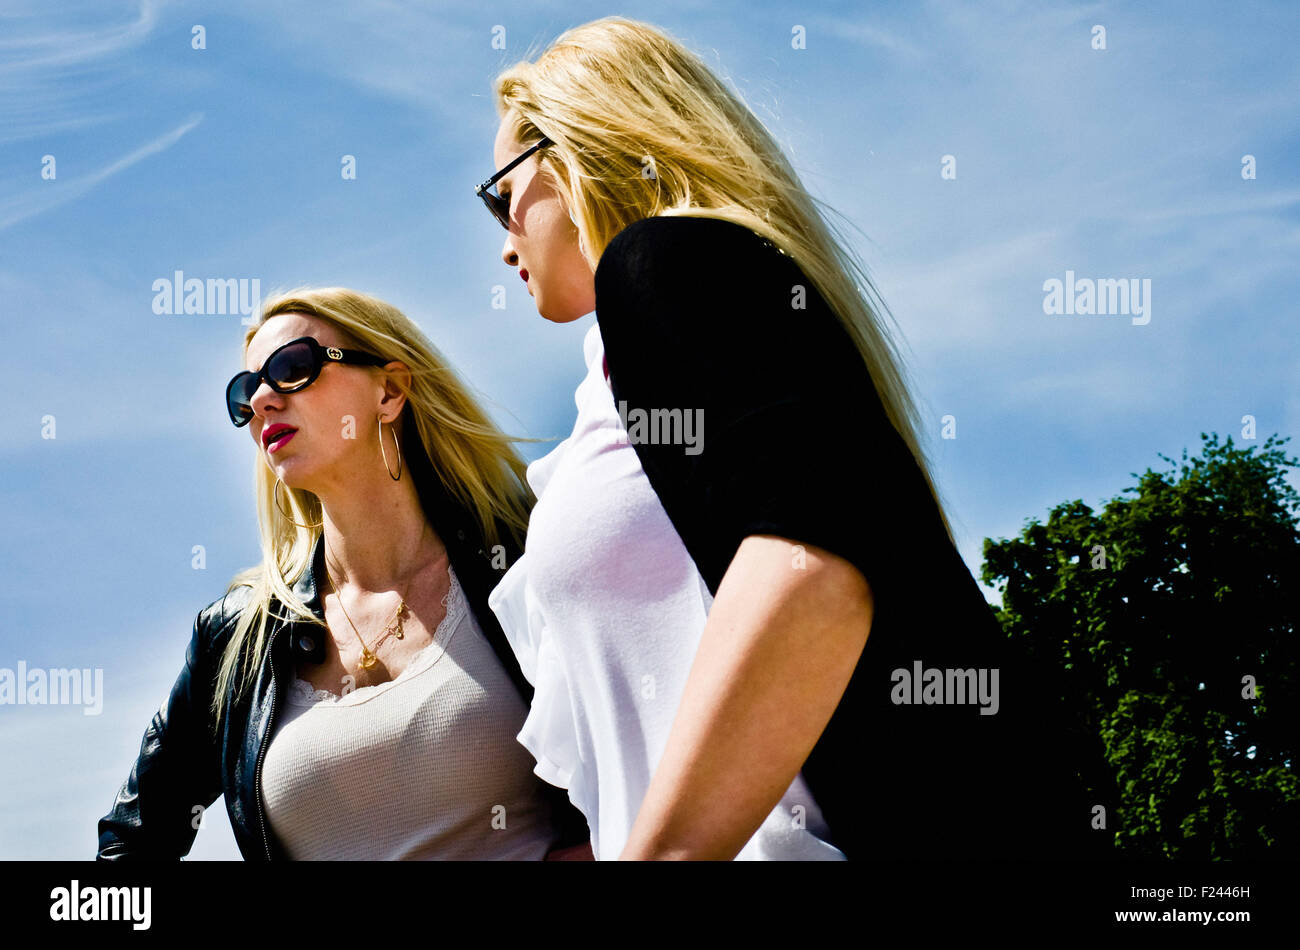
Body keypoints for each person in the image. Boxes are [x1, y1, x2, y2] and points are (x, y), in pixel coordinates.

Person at [477, 16, 1097, 860]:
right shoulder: (618, 381)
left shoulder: (669, 261)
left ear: (576, 146)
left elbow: (810, 573)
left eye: (501, 193)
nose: (502, 233)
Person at [97, 287, 591, 860]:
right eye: (245, 390)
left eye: (291, 368)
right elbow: (130, 845)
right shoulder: (237, 637)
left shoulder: (523, 554)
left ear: (389, 391)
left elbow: (651, 742)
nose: (261, 401)